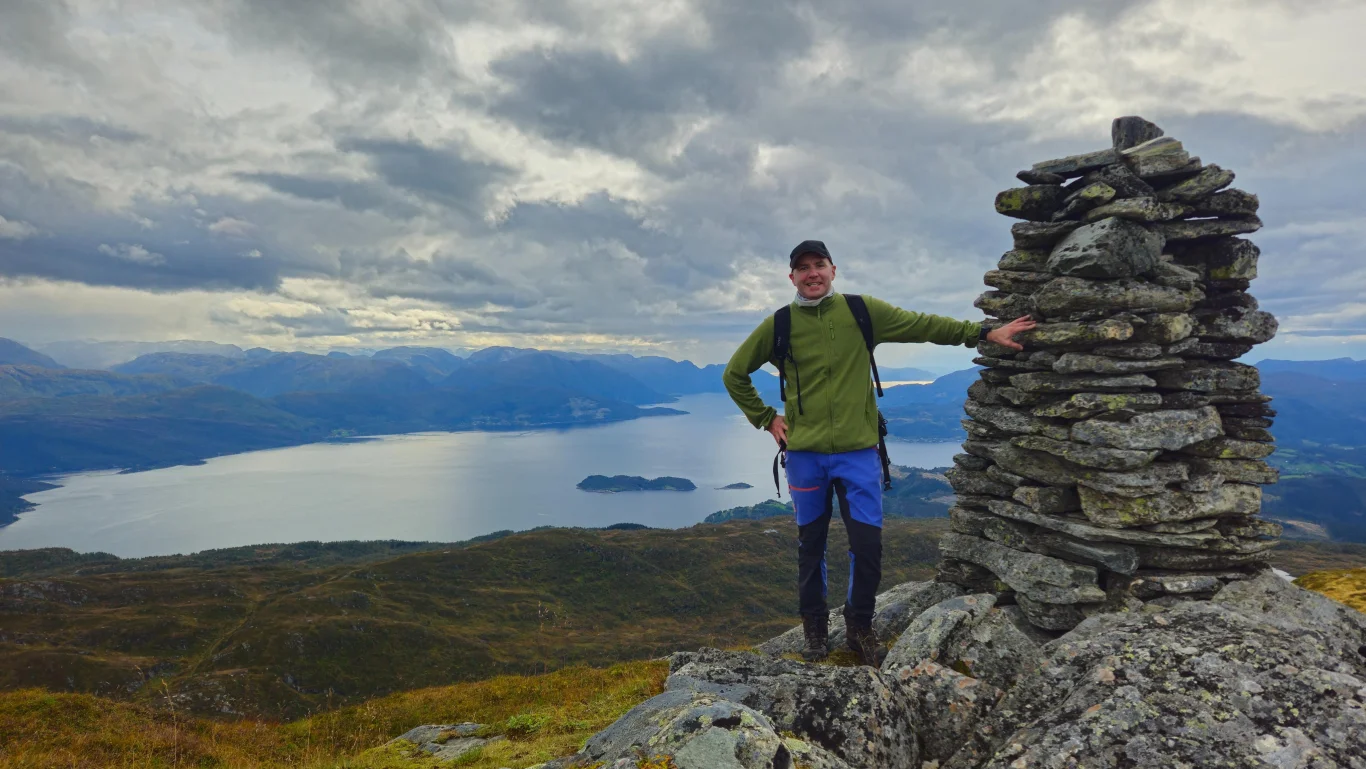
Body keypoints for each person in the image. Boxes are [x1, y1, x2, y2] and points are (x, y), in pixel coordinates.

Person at [722, 239, 1035, 666]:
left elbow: (922, 325)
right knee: (810, 546)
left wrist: (982, 334)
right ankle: (815, 633)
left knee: (867, 546)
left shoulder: (861, 311)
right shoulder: (779, 324)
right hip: (805, 455)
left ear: (833, 270)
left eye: (819, 265)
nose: (812, 273)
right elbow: (734, 374)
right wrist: (766, 419)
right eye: (803, 268)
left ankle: (859, 627)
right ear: (791, 276)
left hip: (859, 453)